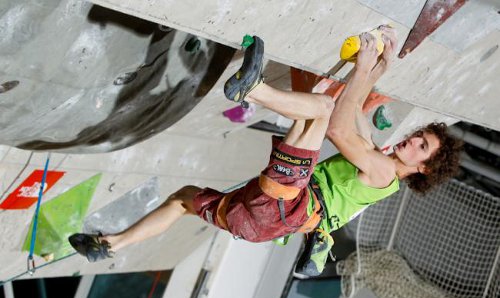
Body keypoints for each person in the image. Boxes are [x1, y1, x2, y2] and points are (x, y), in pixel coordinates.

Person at [69, 27, 462, 276]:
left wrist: (362, 69)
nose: (411, 140)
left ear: (423, 170)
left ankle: (253, 88)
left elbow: (341, 125)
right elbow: (358, 112)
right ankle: (109, 245)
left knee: (323, 110)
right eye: (418, 136)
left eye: (420, 146)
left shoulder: (382, 172)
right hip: (255, 221)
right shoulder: (377, 157)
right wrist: (377, 67)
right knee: (183, 199)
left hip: (283, 206)